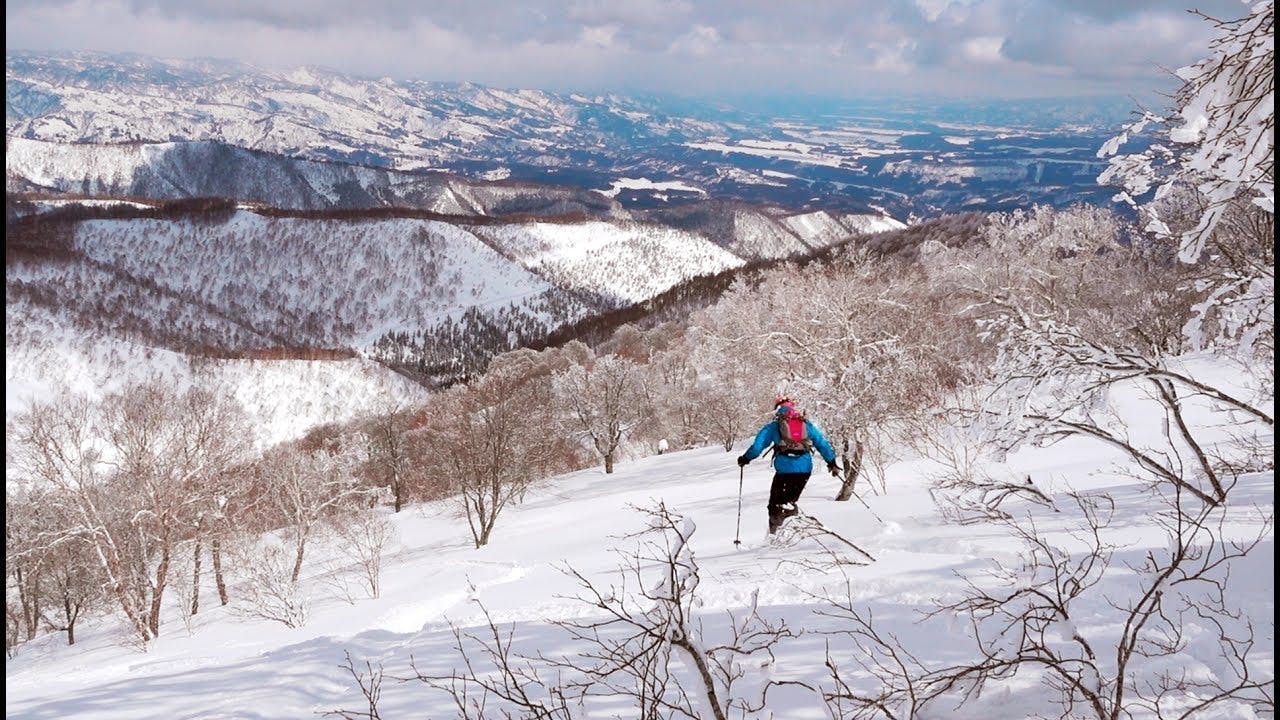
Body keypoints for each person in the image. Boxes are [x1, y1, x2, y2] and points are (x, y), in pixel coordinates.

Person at [737, 396, 839, 534]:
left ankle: (776, 536)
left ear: (777, 410)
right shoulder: (805, 424)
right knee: (789, 502)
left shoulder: (773, 426)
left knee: (775, 505)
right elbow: (822, 443)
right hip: (804, 470)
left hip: (784, 471)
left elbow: (757, 447)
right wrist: (831, 461)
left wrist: (745, 458)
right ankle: (792, 533)